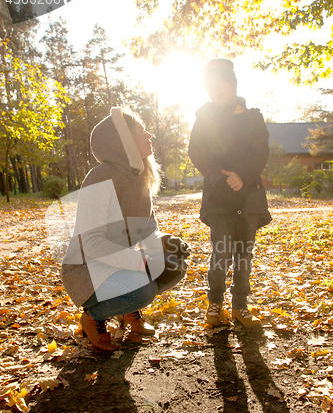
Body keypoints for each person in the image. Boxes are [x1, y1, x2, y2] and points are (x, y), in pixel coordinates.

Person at [61, 107, 187, 351]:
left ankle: (128, 310)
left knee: (177, 267)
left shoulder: (140, 180)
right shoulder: (100, 177)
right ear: (122, 140)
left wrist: (166, 244)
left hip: (117, 265)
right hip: (87, 271)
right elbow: (92, 244)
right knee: (143, 289)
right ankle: (93, 316)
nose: (149, 134)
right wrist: (142, 262)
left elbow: (150, 232)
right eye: (140, 130)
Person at [188, 59, 272, 329]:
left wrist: (242, 175)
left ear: (231, 83)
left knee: (244, 255)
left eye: (219, 83)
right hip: (219, 198)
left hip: (248, 199)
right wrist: (217, 176)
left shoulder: (253, 117)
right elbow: (197, 151)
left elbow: (260, 151)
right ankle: (215, 303)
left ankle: (240, 307)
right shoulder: (204, 116)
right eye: (208, 86)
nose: (214, 90)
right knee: (221, 254)